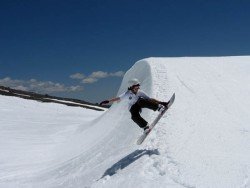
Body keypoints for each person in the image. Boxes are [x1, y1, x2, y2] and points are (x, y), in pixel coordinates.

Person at [100, 78, 169, 132]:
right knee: (134, 117)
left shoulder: (140, 92)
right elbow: (118, 98)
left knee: (141, 101)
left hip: (140, 103)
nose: (138, 88)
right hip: (132, 108)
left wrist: (161, 103)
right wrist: (108, 101)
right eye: (136, 87)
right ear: (131, 87)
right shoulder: (127, 94)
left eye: (138, 87)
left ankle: (159, 108)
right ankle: (145, 127)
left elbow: (150, 100)